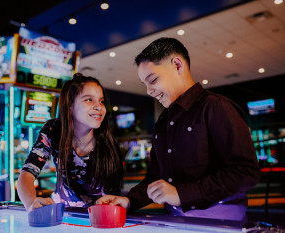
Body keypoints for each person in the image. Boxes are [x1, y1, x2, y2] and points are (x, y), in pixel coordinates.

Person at [97, 37, 261, 221]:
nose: (149, 91)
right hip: (176, 221)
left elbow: (246, 172)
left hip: (221, 221)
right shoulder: (162, 122)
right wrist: (128, 201)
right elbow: (156, 178)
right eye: (145, 84)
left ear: (177, 65)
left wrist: (182, 194)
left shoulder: (216, 106)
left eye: (153, 80)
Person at [17, 73, 123, 212]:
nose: (99, 107)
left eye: (101, 101)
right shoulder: (53, 130)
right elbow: (27, 174)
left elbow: (114, 196)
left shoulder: (108, 143)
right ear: (70, 106)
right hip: (63, 216)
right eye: (89, 100)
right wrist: (31, 203)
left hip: (98, 219)